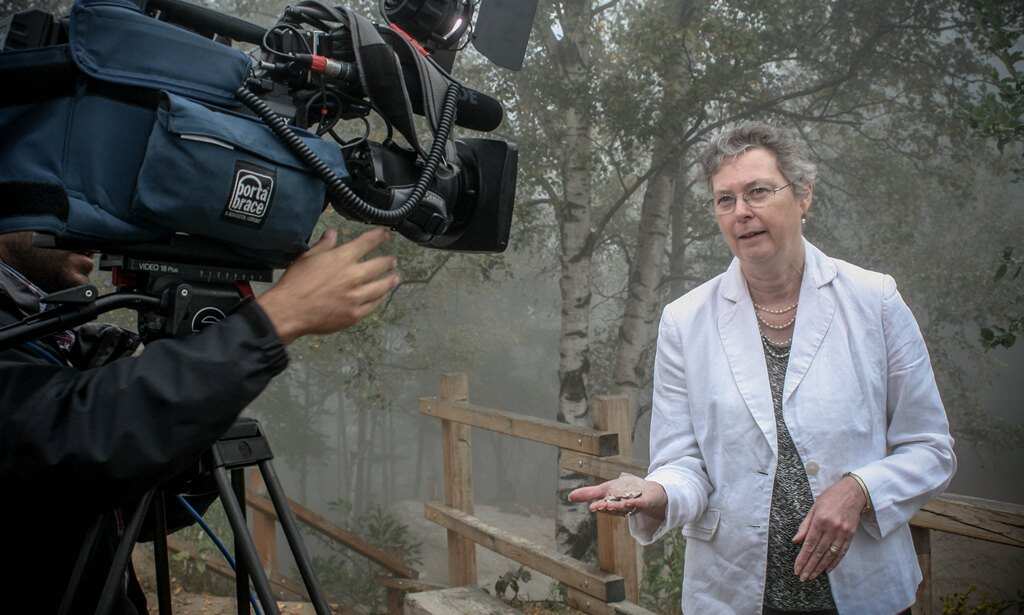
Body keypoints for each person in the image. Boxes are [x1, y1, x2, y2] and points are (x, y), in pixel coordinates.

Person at [570, 123, 956, 614]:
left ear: (803, 196)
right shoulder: (685, 321)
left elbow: (931, 449)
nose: (742, 212)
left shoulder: (874, 300)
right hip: (733, 594)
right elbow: (684, 464)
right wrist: (656, 490)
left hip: (866, 594)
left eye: (757, 191)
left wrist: (859, 490)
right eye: (724, 199)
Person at [0, 227, 398, 614]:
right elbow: (67, 441)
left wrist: (204, 395)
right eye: (60, 197)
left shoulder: (52, 335)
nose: (89, 224)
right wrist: (271, 323)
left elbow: (122, 509)